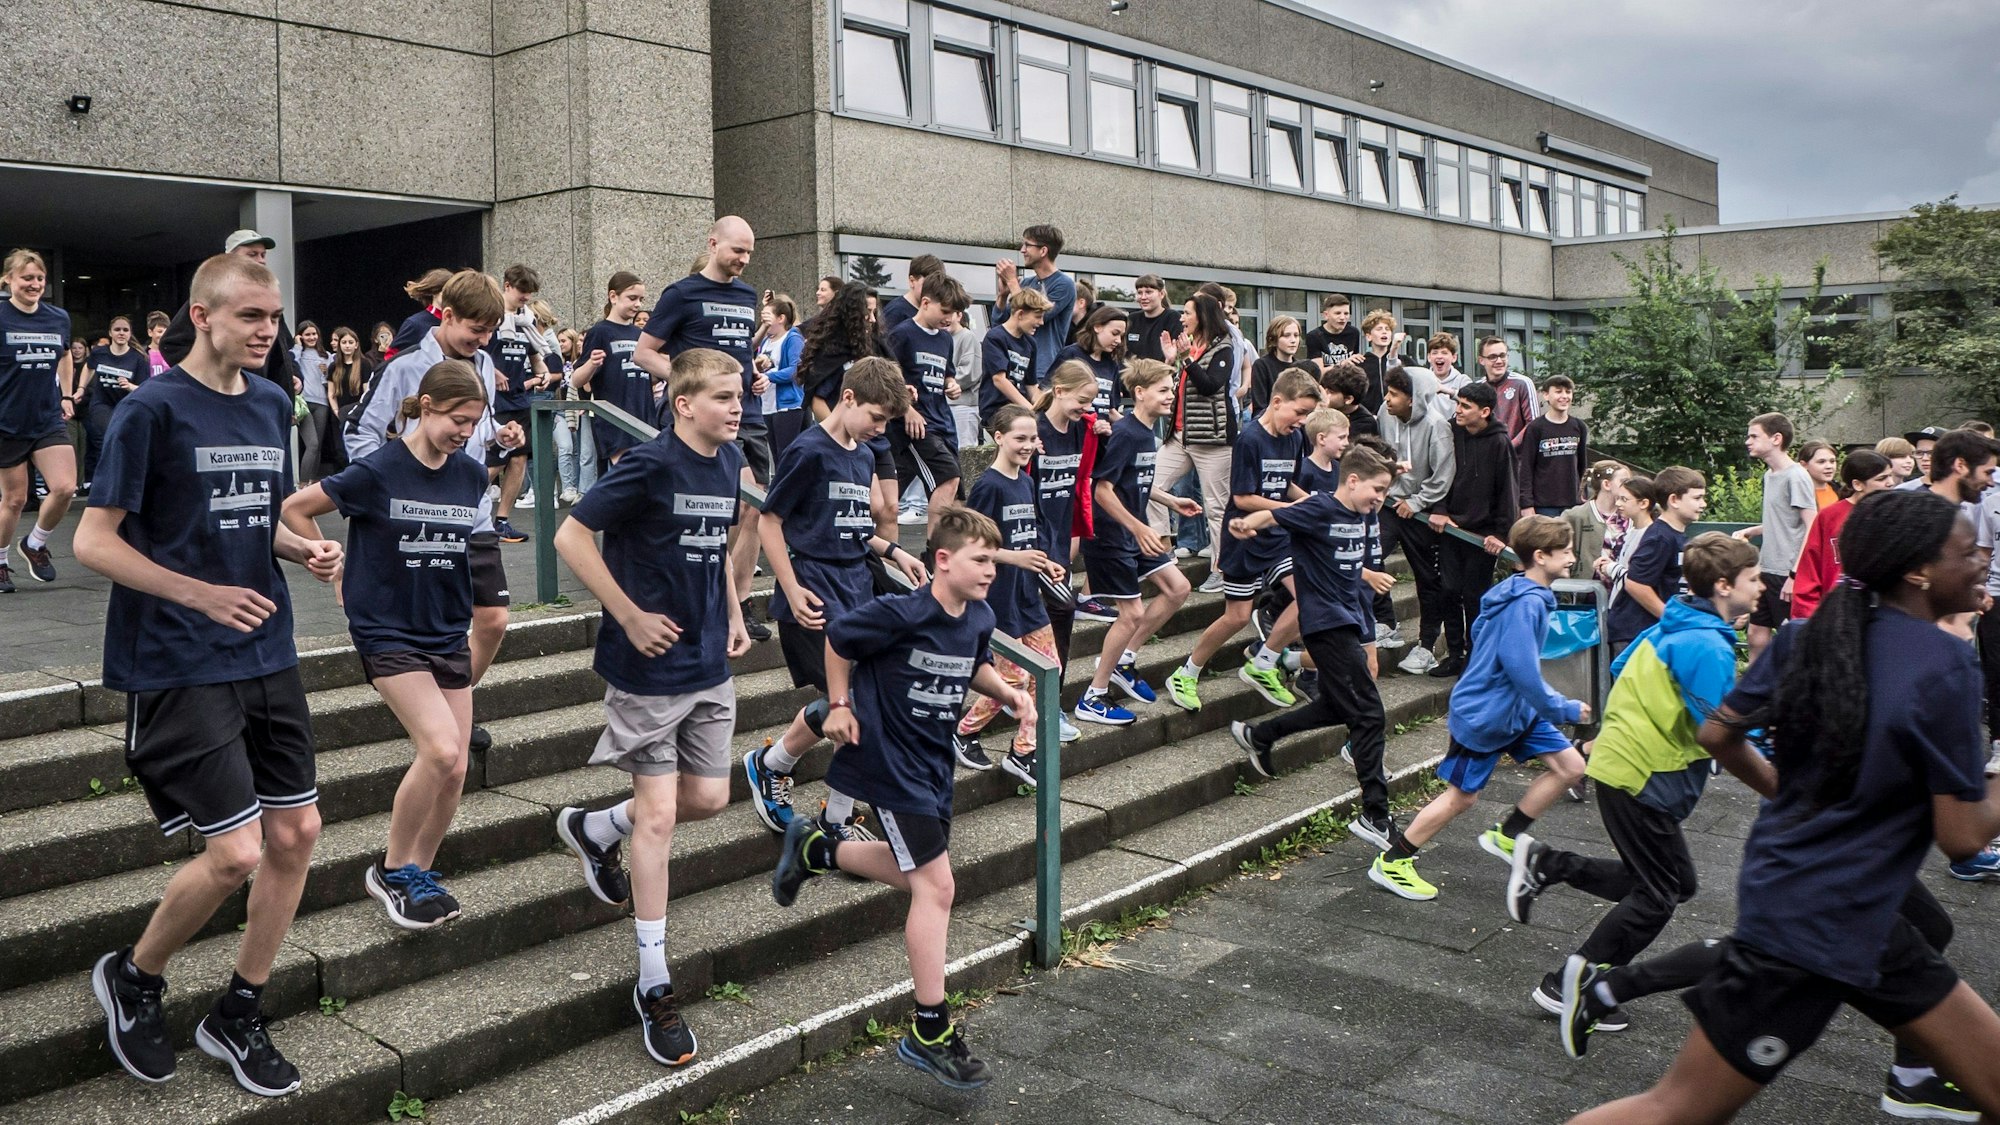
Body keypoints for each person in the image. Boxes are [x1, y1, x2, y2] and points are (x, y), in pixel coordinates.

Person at [1567, 489, 2000, 1125]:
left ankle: (1913, 1081)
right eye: (1970, 552)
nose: (1984, 562)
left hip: (1848, 910)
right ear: (1919, 570)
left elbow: (1718, 734)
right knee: (1675, 1110)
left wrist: (1792, 796)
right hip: (1814, 928)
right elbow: (1963, 835)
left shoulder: (1808, 634)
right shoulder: (1947, 664)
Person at [80, 252, 342, 1098]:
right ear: (202, 314)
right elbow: (95, 540)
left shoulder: (271, 402)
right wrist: (198, 593)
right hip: (178, 658)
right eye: (251, 317)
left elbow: (253, 511)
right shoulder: (150, 409)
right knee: (234, 851)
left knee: (297, 835)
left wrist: (301, 548)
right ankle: (136, 974)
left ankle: (238, 1009)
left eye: (274, 317)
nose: (267, 331)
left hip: (266, 649)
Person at [770, 505, 1028, 1090]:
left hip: (932, 762)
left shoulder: (979, 615)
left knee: (920, 879)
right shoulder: (899, 612)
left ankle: (817, 851)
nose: (992, 569)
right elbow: (838, 640)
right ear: (942, 560)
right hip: (887, 759)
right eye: (980, 559)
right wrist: (838, 705)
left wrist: (1011, 695)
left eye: (994, 559)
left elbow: (973, 665)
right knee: (937, 887)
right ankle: (929, 1030)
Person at [546, 347, 756, 1068]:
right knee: (662, 814)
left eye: (742, 395)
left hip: (706, 661)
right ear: (683, 403)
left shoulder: (727, 462)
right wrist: (629, 614)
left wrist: (733, 609)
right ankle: (654, 982)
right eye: (725, 396)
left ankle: (593, 826)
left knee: (710, 796)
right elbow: (569, 535)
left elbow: (718, 547)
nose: (738, 406)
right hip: (647, 666)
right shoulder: (648, 462)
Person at [1504, 534, 1761, 1014]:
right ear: (1724, 586)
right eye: (1753, 578)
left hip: (1625, 770)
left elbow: (1623, 669)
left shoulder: (1672, 626)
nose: (1762, 586)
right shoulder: (1708, 645)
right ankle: (1567, 985)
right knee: (1659, 895)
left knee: (1675, 883)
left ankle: (1548, 866)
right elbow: (1719, 733)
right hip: (1647, 782)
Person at [282, 360, 488, 928]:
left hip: (446, 628)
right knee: (441, 749)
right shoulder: (376, 470)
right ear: (425, 406)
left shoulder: (470, 474)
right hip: (386, 630)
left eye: (473, 423)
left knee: (456, 767)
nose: (463, 433)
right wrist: (325, 559)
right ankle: (392, 870)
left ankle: (416, 874)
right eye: (455, 419)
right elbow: (294, 509)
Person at [742, 357, 927, 836]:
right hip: (814, 594)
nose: (881, 429)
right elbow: (770, 520)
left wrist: (893, 553)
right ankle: (820, 805)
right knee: (856, 703)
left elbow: (851, 526)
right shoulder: (808, 451)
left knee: (865, 700)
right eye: (877, 417)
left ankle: (778, 767)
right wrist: (790, 586)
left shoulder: (863, 454)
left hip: (856, 587)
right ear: (848, 398)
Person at [347, 271, 522, 764]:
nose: (483, 341)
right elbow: (359, 431)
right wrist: (393, 478)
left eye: (490, 332)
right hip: (415, 516)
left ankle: (451, 705)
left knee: (493, 619)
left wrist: (498, 438)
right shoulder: (405, 365)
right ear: (446, 316)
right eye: (475, 329)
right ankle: (436, 718)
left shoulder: (483, 363)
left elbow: (475, 430)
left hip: (470, 509)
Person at [1370, 516, 1591, 901]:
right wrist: (1564, 708)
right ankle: (1393, 861)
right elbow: (1521, 670)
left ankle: (1506, 836)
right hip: (1485, 713)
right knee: (1463, 797)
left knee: (1571, 766)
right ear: (1540, 556)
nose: (1573, 557)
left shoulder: (1522, 592)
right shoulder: (1525, 605)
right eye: (1566, 551)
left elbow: (1496, 651)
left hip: (1515, 711)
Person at [1228, 444, 1400, 849]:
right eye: (1376, 489)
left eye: (1386, 493)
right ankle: (1375, 814)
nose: (1380, 499)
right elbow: (1276, 515)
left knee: (1337, 707)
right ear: (1352, 480)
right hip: (1324, 625)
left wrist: (1367, 591)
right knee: (1370, 715)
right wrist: (1247, 523)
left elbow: (1346, 568)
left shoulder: (1360, 518)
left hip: (1348, 621)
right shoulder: (1320, 507)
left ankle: (1260, 734)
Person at [636, 217, 771, 644]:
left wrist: (754, 374)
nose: (743, 260)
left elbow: (737, 351)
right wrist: (689, 385)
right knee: (706, 506)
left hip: (744, 412)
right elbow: (645, 353)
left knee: (754, 506)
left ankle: (740, 601)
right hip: (696, 416)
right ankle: (707, 593)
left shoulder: (747, 295)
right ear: (713, 244)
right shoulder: (682, 293)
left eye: (749, 253)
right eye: (737, 251)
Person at [1167, 368, 1322, 712]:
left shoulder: (1295, 438)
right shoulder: (1250, 438)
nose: (1302, 421)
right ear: (1277, 401)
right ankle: (1186, 672)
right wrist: (1290, 508)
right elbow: (1242, 497)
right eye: (1299, 412)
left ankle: (1264, 662)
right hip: (1244, 537)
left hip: (1278, 536)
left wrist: (1311, 501)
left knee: (1308, 595)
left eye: (1308, 415)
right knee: (1236, 617)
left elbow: (1288, 485)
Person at [1076, 359, 1202, 726]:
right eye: (1164, 390)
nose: (1170, 396)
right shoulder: (1127, 433)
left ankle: (1124, 661)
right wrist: (1138, 527)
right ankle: (1093, 696)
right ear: (1140, 393)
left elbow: (1138, 484)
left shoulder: (1147, 433)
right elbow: (1102, 491)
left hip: (1134, 531)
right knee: (1130, 613)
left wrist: (1169, 499)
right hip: (1112, 535)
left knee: (1178, 588)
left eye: (1171, 390)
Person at [953, 406, 1067, 784]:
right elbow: (972, 543)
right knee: (1011, 680)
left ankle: (1023, 751)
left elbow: (1029, 535)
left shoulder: (1026, 482)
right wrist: (1014, 558)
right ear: (998, 437)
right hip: (998, 597)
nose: (1028, 446)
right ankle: (964, 731)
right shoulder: (989, 485)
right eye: (1020, 438)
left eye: (1032, 438)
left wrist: (1044, 562)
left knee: (1049, 668)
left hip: (1028, 595)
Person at [0, 249, 79, 591]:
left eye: (39, 278)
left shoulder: (57, 317)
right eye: (26, 278)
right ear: (8, 281)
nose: (34, 284)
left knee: (64, 488)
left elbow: (64, 354)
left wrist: (66, 393)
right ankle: (0, 561)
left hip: (47, 418)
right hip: (6, 421)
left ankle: (34, 544)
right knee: (15, 500)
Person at [1427, 382, 1517, 679]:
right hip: (1453, 527)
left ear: (1485, 411)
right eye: (1458, 404)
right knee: (1448, 591)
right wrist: (1439, 509)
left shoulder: (1499, 443)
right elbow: (1440, 472)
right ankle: (1454, 654)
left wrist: (1502, 535)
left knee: (1474, 595)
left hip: (1483, 535)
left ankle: (1475, 657)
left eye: (1465, 406)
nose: (1458, 411)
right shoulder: (1453, 433)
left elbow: (1508, 491)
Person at [1149, 293, 1235, 591]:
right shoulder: (1186, 346)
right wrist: (1170, 362)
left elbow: (1210, 386)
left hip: (1212, 439)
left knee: (1216, 507)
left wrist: (1186, 359)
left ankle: (1222, 571)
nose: (1181, 318)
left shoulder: (1223, 347)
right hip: (1180, 436)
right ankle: (1163, 551)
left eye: (1186, 313)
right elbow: (1174, 388)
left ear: (1203, 315)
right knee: (1150, 486)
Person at [801, 281, 898, 540]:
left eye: (874, 311)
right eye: (866, 311)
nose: (871, 318)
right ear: (849, 312)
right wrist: (844, 435)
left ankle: (890, 579)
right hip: (845, 441)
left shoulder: (877, 345)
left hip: (877, 439)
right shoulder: (830, 349)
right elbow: (816, 400)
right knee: (870, 508)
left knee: (890, 510)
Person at [1377, 365, 1456, 675]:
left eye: (1395, 394)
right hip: (1389, 503)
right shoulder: (1386, 413)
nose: (1387, 399)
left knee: (1427, 579)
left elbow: (1443, 474)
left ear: (1414, 398)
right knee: (1367, 559)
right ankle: (1384, 622)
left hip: (1419, 511)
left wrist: (1418, 501)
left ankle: (1426, 645)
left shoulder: (1437, 427)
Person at [159, 230, 301, 398]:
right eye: (252, 254)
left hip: (264, 405)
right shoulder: (213, 296)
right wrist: (220, 380)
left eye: (263, 255)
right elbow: (172, 345)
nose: (260, 260)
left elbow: (282, 351)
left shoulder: (269, 300)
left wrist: (291, 378)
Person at [1029, 362, 1098, 694]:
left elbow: (1088, 477)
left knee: (1061, 617)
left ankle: (1049, 699)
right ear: (1059, 392)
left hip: (1059, 540)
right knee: (1062, 608)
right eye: (1081, 400)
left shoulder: (1083, 429)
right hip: (1032, 541)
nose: (1086, 408)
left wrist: (1105, 436)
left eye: (1090, 402)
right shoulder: (1034, 432)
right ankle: (1042, 698)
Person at [886, 275, 971, 536]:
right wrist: (907, 409)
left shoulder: (945, 339)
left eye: (956, 312)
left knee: (955, 496)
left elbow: (946, 373)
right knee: (947, 477)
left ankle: (949, 550)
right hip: (916, 425)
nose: (950, 318)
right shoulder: (902, 334)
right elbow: (888, 377)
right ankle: (935, 552)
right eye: (945, 311)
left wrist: (952, 384)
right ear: (925, 302)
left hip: (943, 422)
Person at [1731, 412, 1816, 661]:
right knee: (1756, 635)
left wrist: (1794, 574)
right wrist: (1752, 531)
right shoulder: (1770, 475)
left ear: (1776, 438)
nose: (1748, 441)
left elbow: (1812, 526)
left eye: (1754, 436)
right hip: (1766, 569)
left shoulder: (1796, 476)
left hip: (1787, 572)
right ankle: (1756, 695)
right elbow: (1782, 521)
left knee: (1793, 640)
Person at [484, 265, 554, 544]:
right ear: (508, 286)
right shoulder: (491, 314)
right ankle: (460, 506)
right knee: (493, 461)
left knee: (519, 458)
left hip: (518, 398)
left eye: (530, 293)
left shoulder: (527, 320)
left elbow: (533, 353)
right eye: (522, 291)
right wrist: (491, 370)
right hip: (492, 399)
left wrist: (542, 370)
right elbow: (474, 351)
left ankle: (501, 521)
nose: (526, 297)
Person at [1606, 467, 1706, 656]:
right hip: (1636, 634)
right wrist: (1670, 617)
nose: (1703, 504)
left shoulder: (1674, 535)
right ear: (1674, 500)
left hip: (1651, 633)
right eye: (1697, 498)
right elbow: (1636, 584)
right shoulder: (1660, 537)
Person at [1791, 450, 1895, 620]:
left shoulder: (1898, 514)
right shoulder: (1830, 517)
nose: (1890, 483)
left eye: (1890, 476)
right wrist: (1809, 619)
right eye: (1882, 479)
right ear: (1858, 485)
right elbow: (1810, 571)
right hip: (1837, 615)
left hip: (1885, 616)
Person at [573, 271, 652, 466]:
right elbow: (576, 380)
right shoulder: (600, 331)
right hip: (615, 417)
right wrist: (591, 363)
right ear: (613, 296)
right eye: (632, 298)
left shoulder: (640, 333)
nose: (638, 304)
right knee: (629, 477)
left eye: (641, 299)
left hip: (644, 415)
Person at [994, 224, 1075, 378]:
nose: (1022, 250)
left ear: (1043, 251)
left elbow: (1033, 315)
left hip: (1042, 371)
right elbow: (1000, 323)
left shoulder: (1064, 284)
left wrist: (1012, 282)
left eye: (1027, 245)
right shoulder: (1025, 284)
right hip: (1015, 366)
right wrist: (1003, 296)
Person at [80, 314, 150, 491]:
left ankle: (123, 479)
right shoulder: (99, 352)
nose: (121, 333)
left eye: (125, 330)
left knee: (123, 439)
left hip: (126, 405)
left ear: (130, 333)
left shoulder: (138, 358)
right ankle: (105, 480)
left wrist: (129, 386)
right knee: (112, 432)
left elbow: (143, 389)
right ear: (110, 333)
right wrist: (81, 389)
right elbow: (88, 368)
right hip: (102, 404)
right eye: (117, 330)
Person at [1516, 374, 1587, 517]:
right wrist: (1526, 504)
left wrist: (1582, 497)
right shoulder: (1536, 428)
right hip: (1543, 505)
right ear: (1546, 395)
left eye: (1568, 392)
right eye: (1558, 391)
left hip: (1572, 504)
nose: (1564, 396)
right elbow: (1526, 468)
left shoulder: (1579, 427)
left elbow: (1582, 467)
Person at [979, 288, 1049, 426]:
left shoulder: (1030, 343)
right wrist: (1030, 409)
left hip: (1019, 410)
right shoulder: (996, 337)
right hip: (997, 410)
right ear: (1020, 314)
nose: (1041, 323)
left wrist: (1046, 408)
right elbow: (999, 380)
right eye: (1037, 316)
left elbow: (1031, 386)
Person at [1054, 304, 1127, 423]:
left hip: (1100, 436)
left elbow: (1110, 410)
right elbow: (1049, 394)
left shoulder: (1112, 364)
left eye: (1121, 336)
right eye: (1115, 333)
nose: (1118, 341)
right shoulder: (1071, 354)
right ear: (1097, 327)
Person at [1565, 460, 1629, 591]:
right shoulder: (1576, 515)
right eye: (1624, 482)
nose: (1630, 486)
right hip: (1585, 593)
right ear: (1606, 484)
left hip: (1623, 592)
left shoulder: (1631, 514)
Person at [756, 293, 806, 460]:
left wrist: (769, 376)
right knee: (777, 456)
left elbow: (795, 370)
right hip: (767, 405)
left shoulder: (792, 338)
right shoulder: (765, 341)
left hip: (787, 405)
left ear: (781, 318)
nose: (764, 323)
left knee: (786, 455)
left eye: (767, 317)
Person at [1473, 335, 1538, 445]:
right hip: (1487, 457)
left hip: (1517, 458)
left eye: (1502, 356)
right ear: (1481, 360)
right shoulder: (1477, 388)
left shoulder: (1522, 383)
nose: (1499, 361)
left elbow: (1534, 424)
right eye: (1492, 357)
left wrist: (1510, 447)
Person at [323, 326, 374, 463]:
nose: (347, 346)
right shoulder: (333, 366)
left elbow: (366, 391)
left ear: (356, 345)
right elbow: (331, 393)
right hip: (338, 412)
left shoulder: (364, 364)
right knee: (340, 452)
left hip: (356, 413)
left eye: (351, 342)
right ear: (339, 345)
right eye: (344, 342)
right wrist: (336, 411)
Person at [292, 320, 333, 483]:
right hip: (304, 402)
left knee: (318, 446)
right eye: (307, 334)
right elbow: (290, 363)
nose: (311, 337)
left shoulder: (326, 355)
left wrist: (326, 373)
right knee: (312, 444)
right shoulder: (297, 353)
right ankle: (302, 484)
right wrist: (297, 346)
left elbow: (329, 381)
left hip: (322, 402)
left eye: (314, 334)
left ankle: (312, 482)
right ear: (300, 336)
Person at [1248, 316, 1307, 416]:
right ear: (1274, 339)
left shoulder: (1302, 367)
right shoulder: (1262, 365)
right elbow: (1260, 405)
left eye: (1296, 335)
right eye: (1286, 335)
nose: (1293, 340)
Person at [1353, 310, 1402, 417]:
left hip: (1395, 416)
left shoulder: (1402, 361)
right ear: (1369, 336)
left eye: (1387, 329)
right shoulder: (1360, 363)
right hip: (1368, 417)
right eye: (1379, 329)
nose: (1384, 332)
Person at [1303, 293, 1363, 378]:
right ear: (1326, 315)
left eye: (1346, 313)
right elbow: (1318, 374)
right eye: (1337, 313)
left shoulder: (1353, 333)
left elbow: (1355, 363)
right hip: (1326, 386)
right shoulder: (1314, 336)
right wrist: (1342, 364)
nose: (1342, 317)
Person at [880, 255, 943, 334]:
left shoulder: (934, 312)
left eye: (936, 285)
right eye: (926, 284)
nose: (931, 290)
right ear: (912, 281)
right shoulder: (896, 311)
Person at [1124, 274, 1177, 364]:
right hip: (1132, 375)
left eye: (1148, 292)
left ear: (1161, 294)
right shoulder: (1132, 319)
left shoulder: (1173, 318)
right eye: (1140, 293)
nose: (1143, 297)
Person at [1425, 332, 1470, 402]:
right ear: (1429, 357)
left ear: (1454, 357)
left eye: (1444, 353)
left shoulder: (1463, 381)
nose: (1439, 356)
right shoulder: (1423, 380)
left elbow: (1472, 403)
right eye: (1435, 353)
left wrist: (1449, 392)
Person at [1797, 439, 1840, 509]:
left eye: (1832, 461)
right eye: (1821, 462)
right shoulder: (1798, 495)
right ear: (1804, 465)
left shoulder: (1839, 490)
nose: (1829, 466)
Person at [145, 310, 170, 377]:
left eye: (166, 332)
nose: (163, 335)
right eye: (159, 331)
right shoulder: (143, 354)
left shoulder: (172, 353)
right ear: (150, 332)